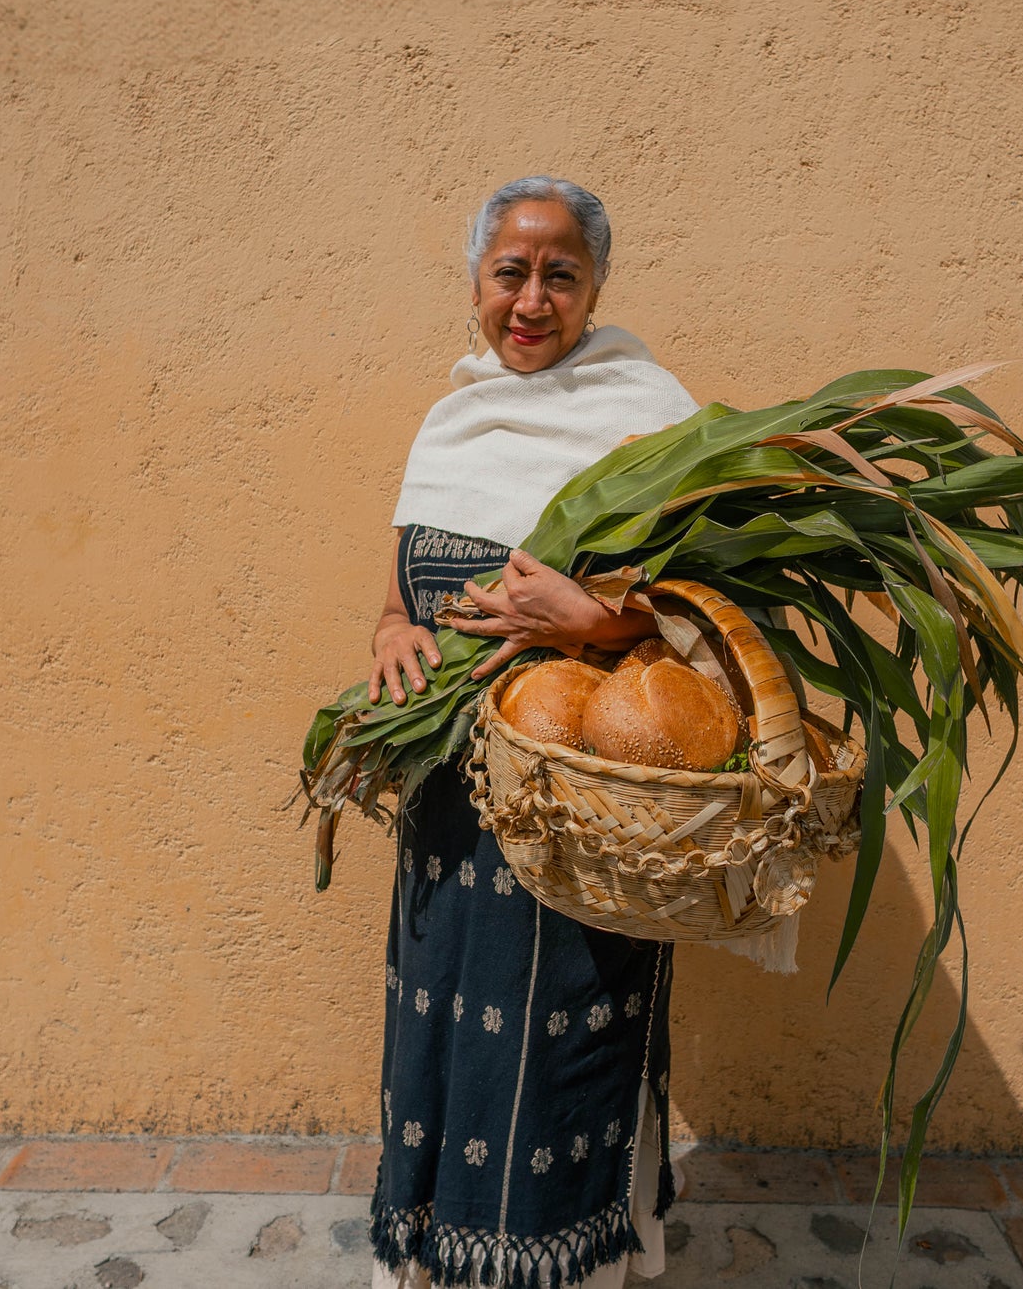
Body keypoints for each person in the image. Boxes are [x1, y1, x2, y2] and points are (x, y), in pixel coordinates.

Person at [366, 177, 701, 1289]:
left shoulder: (647, 414)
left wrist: (597, 621)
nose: (532, 299)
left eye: (561, 274)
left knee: (564, 1029)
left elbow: (707, 605)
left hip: (576, 797)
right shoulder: (451, 418)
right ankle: (438, 1255)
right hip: (446, 803)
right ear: (475, 283)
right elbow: (402, 589)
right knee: (440, 1018)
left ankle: (568, 1264)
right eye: (511, 272)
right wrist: (389, 631)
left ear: (596, 289)